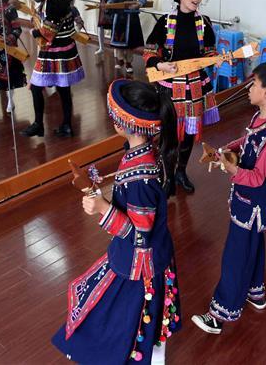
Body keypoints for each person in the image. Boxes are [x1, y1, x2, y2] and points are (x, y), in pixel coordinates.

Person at [51, 79, 181, 365]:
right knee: (149, 310)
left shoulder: (141, 175)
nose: (112, 118)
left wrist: (102, 208)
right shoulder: (146, 154)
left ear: (126, 122)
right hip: (153, 254)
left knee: (129, 316)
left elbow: (139, 233)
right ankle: (155, 352)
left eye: (115, 115)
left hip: (140, 260)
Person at [192, 61, 266, 335]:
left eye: (254, 84)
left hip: (252, 205)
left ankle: (220, 313)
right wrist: (227, 149)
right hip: (249, 203)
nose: (249, 89)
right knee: (253, 246)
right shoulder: (260, 119)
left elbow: (257, 177)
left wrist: (230, 167)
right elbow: (246, 142)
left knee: (235, 256)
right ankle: (255, 293)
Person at [145, 0, 219, 195]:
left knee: (188, 134)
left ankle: (181, 172)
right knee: (170, 136)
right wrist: (160, 65)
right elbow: (150, 50)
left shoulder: (204, 23)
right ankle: (167, 178)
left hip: (195, 86)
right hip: (169, 86)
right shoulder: (165, 23)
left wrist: (216, 60)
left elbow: (209, 50)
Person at [22, 0, 85, 138]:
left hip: (53, 50)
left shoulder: (53, 2)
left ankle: (38, 125)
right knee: (63, 88)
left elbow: (49, 30)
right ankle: (66, 125)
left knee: (35, 87)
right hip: (67, 48)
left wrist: (34, 32)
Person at [107, 0, 148, 75]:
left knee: (130, 42)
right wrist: (110, 3)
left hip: (131, 16)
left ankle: (129, 62)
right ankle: (119, 59)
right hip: (118, 15)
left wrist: (138, 4)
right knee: (118, 40)